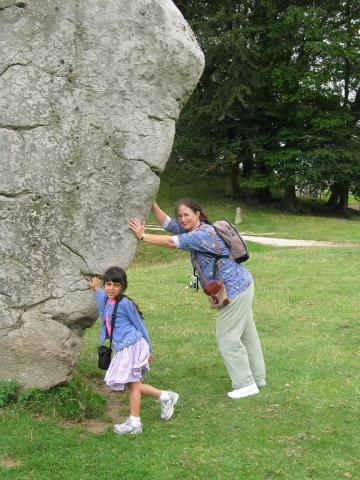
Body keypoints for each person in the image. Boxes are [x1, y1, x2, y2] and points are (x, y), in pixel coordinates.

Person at [129, 199, 266, 400]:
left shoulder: (202, 235)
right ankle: (258, 378)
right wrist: (152, 203)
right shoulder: (195, 229)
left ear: (198, 214)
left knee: (227, 337)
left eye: (187, 215)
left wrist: (142, 236)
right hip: (242, 285)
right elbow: (168, 224)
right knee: (247, 335)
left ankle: (245, 383)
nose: (183, 219)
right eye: (181, 215)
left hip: (234, 291)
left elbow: (170, 242)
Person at [90, 266, 179, 435]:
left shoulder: (125, 304)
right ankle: (166, 397)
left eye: (116, 285)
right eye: (108, 284)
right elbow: (102, 297)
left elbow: (140, 325)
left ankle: (134, 423)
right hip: (122, 347)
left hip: (134, 345)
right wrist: (96, 288)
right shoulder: (106, 300)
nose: (111, 288)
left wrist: (149, 349)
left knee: (133, 384)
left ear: (123, 287)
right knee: (132, 383)